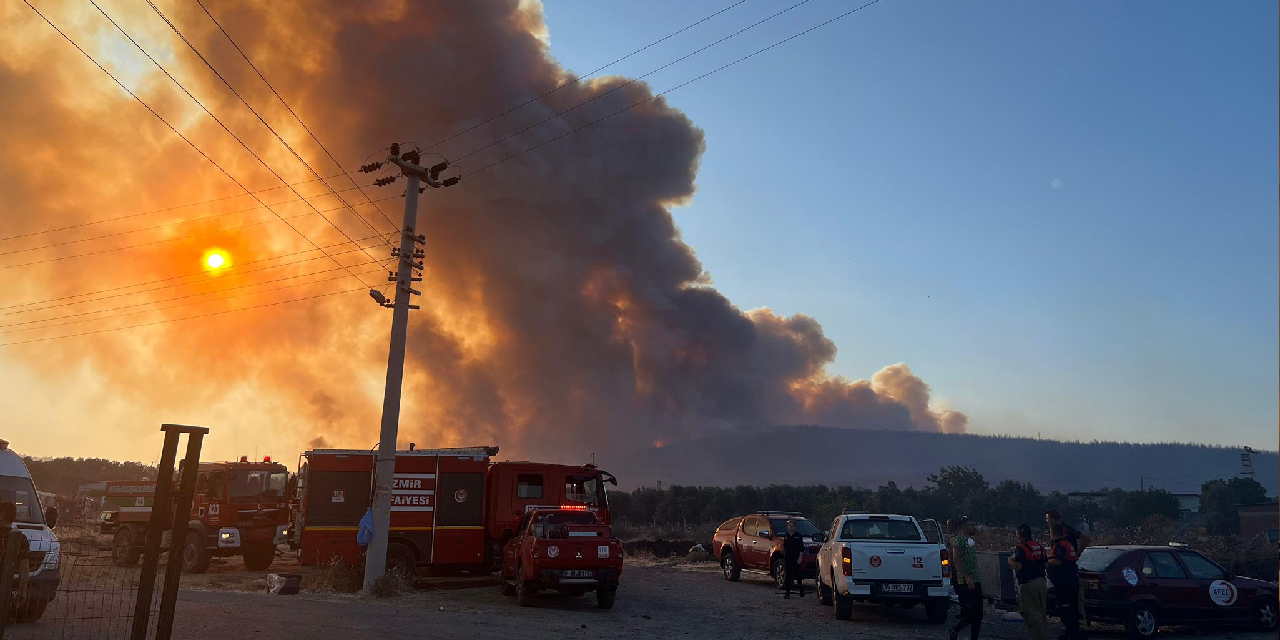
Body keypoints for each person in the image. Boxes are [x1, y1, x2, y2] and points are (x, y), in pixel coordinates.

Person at [1046, 509, 1091, 626]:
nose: (1047, 522)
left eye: (1048, 519)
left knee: (1075, 606)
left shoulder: (1065, 531)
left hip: (1067, 575)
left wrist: (1077, 554)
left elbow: (1085, 539)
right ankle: (1072, 629)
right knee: (1067, 607)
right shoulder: (1057, 533)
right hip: (1061, 576)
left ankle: (1080, 630)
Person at [1009, 523, 1048, 640]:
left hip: (1028, 584)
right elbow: (1046, 565)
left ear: (1019, 534)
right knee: (1041, 613)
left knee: (1032, 615)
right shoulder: (1039, 546)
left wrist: (1011, 561)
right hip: (1042, 582)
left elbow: (1019, 566)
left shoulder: (1020, 548)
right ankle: (1042, 635)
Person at [1047, 522, 1083, 640]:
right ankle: (1074, 633)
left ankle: (1071, 634)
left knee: (1065, 608)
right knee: (1072, 608)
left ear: (1053, 533)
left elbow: (1058, 561)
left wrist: (1047, 562)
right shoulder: (1068, 544)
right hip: (1072, 581)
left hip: (1065, 583)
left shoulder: (1060, 546)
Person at [949, 516, 983, 640]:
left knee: (979, 614)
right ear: (963, 527)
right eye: (970, 525)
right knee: (973, 611)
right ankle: (955, 629)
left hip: (975, 578)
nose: (972, 527)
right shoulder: (959, 540)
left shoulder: (971, 540)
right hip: (966, 580)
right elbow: (957, 560)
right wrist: (967, 577)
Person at [0, 502, 30, 603]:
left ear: (2, 515)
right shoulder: (21, 539)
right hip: (6, 587)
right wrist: (22, 591)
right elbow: (24, 567)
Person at [946, 518, 970, 622]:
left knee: (963, 590)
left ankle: (966, 612)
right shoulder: (950, 538)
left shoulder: (960, 538)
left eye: (949, 525)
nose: (948, 527)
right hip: (953, 567)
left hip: (960, 567)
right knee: (958, 589)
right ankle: (963, 611)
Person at [781, 519, 805, 599]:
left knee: (798, 575)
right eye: (789, 526)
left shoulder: (798, 536)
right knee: (788, 576)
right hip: (788, 558)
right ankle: (787, 593)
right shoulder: (786, 536)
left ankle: (801, 590)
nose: (791, 528)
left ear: (795, 527)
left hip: (796, 558)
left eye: (792, 526)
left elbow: (802, 548)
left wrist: (800, 558)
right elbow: (784, 547)